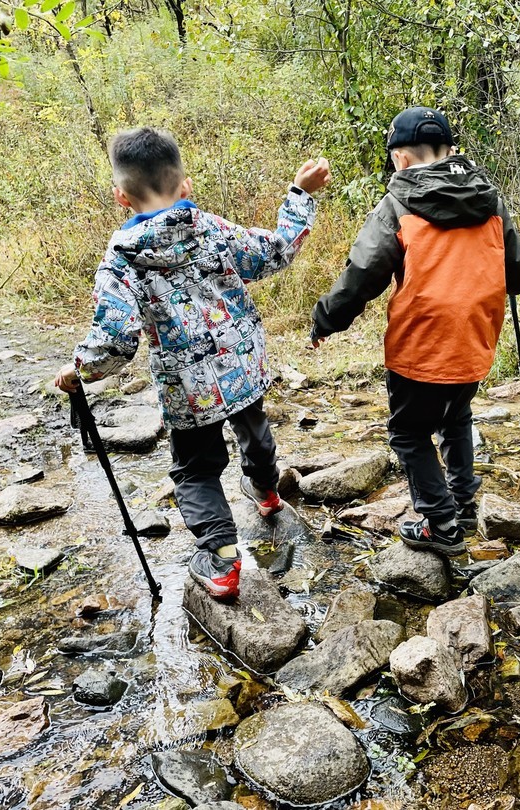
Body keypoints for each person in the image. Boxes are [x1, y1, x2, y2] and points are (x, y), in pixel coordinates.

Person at [55, 127, 331, 600]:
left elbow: (116, 340)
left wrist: (79, 369)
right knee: (255, 431)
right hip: (243, 367)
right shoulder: (212, 229)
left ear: (121, 197)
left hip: (189, 390)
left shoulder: (121, 261)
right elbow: (276, 251)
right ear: (183, 185)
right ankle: (266, 492)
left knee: (196, 470)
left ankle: (222, 559)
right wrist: (300, 194)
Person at [310, 107, 520, 556]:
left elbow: (364, 273)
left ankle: (442, 523)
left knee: (409, 433)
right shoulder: (489, 200)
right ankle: (464, 505)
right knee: (455, 415)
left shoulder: (397, 205)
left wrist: (326, 319)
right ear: (451, 152)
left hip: (420, 346)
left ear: (402, 160)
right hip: (475, 342)